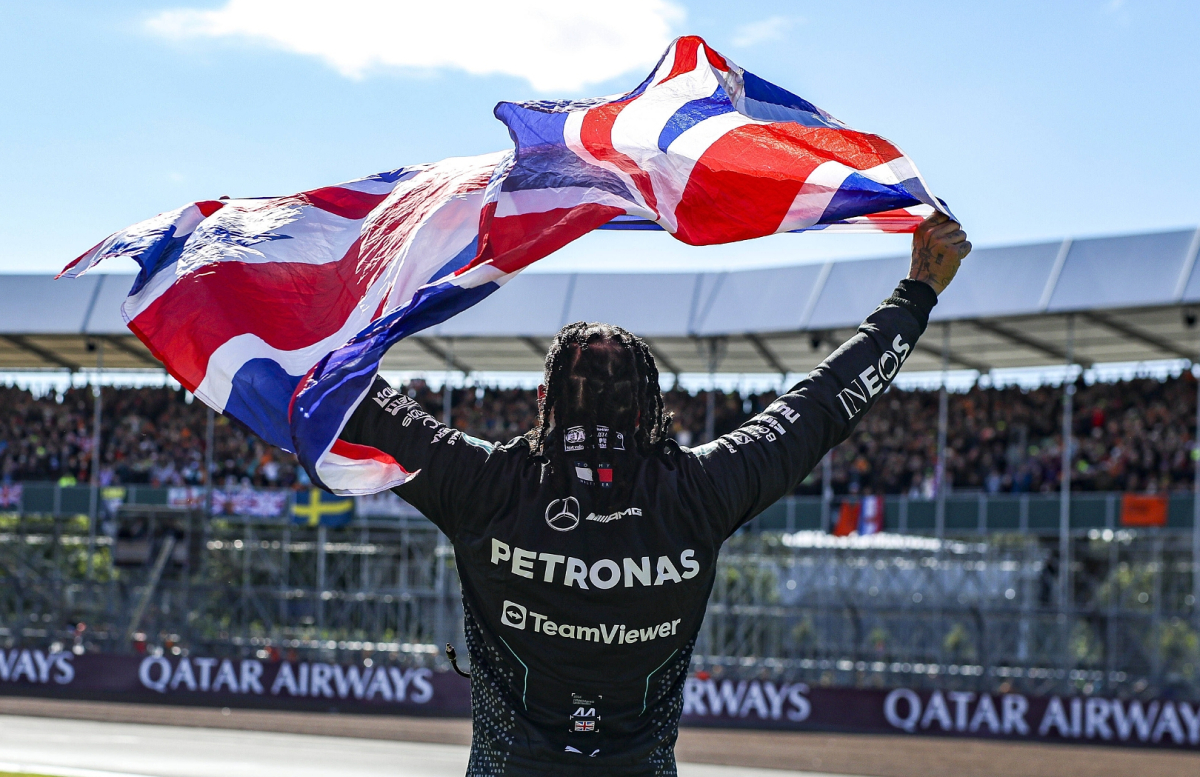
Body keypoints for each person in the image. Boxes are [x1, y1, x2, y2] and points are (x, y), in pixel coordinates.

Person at [339, 212, 970, 776]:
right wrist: (915, 293)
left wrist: (309, 298)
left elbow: (351, 397)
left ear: (545, 400)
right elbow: (820, 407)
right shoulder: (700, 490)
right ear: (650, 410)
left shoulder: (483, 484)